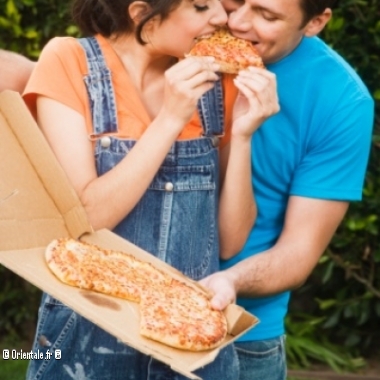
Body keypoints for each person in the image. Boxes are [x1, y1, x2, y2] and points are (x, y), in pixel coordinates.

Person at [22, 0, 279, 378]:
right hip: (83, 341)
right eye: (200, 6)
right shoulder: (68, 61)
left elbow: (230, 241)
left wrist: (242, 136)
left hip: (192, 339)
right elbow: (85, 222)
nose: (223, 18)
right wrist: (170, 118)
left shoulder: (215, 80)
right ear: (141, 12)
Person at [199, 0, 375, 379]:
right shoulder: (183, 32)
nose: (238, 22)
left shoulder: (342, 101)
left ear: (315, 22)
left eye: (267, 15)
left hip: (239, 334)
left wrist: (230, 280)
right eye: (236, 2)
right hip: (117, 302)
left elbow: (297, 253)